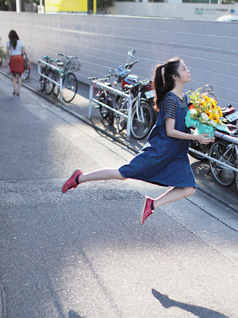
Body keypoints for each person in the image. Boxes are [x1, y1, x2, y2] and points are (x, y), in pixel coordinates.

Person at [62, 57, 213, 225]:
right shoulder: (171, 99)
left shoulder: (184, 98)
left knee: (189, 188)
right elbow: (170, 131)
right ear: (175, 76)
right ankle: (79, 177)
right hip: (160, 150)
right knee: (122, 174)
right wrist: (196, 137)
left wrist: (202, 132)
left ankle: (152, 204)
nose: (188, 71)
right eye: (184, 69)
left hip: (176, 152)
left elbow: (184, 124)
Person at [6, 30, 25, 96]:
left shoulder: (8, 43)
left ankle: (14, 88)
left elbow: (8, 53)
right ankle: (19, 90)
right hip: (19, 58)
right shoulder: (21, 42)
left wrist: (6, 61)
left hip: (13, 58)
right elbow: (23, 52)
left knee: (14, 75)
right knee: (20, 75)